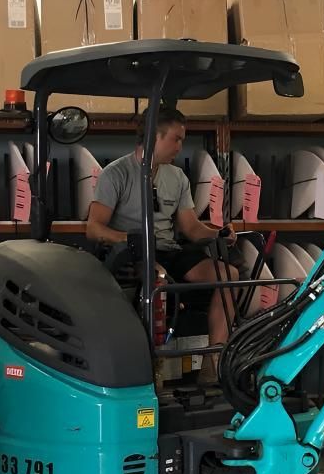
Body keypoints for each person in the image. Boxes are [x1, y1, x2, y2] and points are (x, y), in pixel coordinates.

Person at [86, 108, 238, 381]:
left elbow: (191, 228)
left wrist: (218, 234)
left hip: (169, 250)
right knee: (158, 278)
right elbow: (94, 228)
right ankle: (153, 371)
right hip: (132, 252)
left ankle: (213, 362)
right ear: (154, 136)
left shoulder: (177, 177)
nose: (180, 146)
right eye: (176, 139)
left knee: (230, 275)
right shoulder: (116, 174)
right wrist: (129, 239)